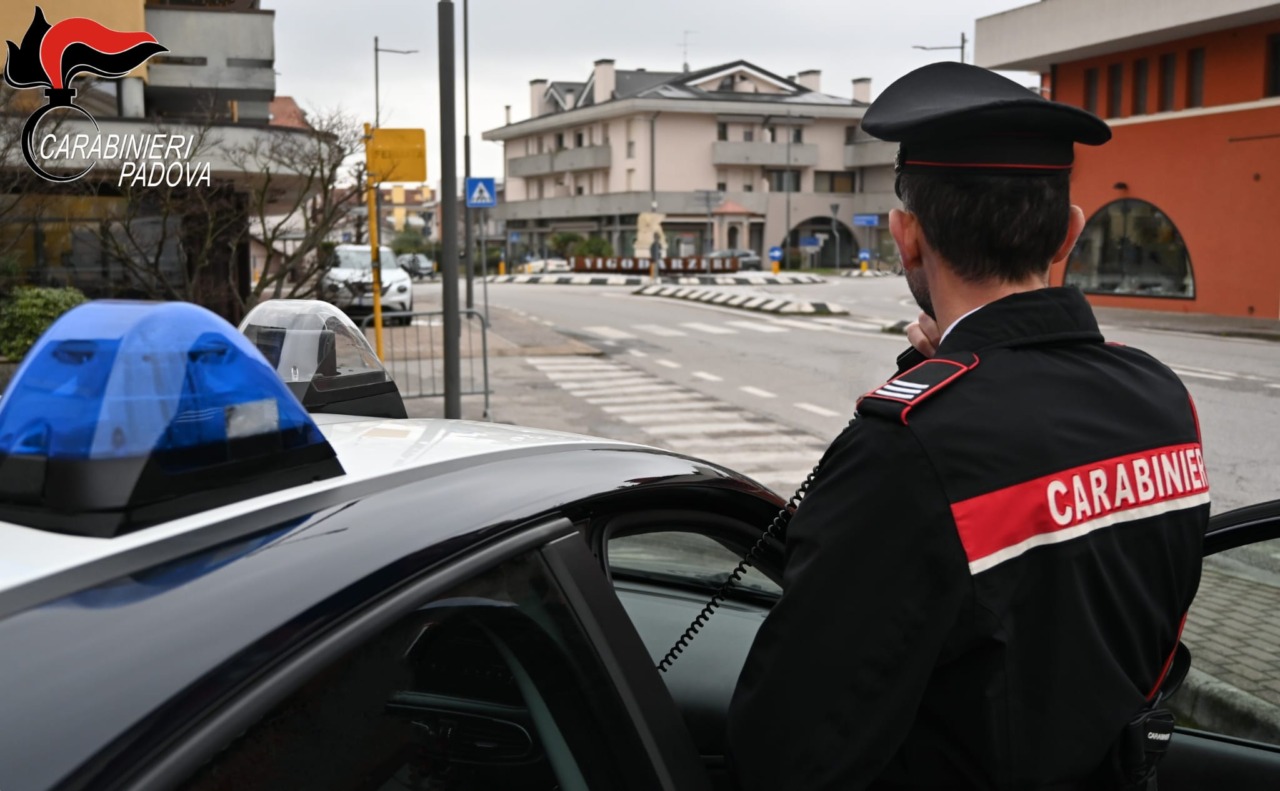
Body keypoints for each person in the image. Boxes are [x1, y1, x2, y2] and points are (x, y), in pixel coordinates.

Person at [726, 62, 1208, 791]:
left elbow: (790, 751)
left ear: (907, 237)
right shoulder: (1162, 399)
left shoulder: (909, 447)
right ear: (1068, 233)